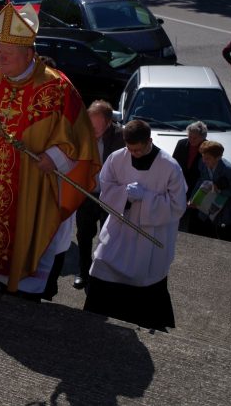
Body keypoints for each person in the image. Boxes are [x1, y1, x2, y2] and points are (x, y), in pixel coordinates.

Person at [0, 2, 99, 302]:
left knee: (30, 254)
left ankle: (30, 298)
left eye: (8, 52)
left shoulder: (57, 88)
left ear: (29, 54)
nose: (0, 57)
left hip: (35, 186)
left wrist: (54, 157)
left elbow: (80, 138)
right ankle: (3, 288)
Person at [84, 120, 186, 331]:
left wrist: (145, 198)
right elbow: (106, 189)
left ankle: (146, 322)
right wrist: (124, 195)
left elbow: (177, 206)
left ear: (149, 141)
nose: (134, 154)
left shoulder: (169, 166)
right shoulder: (117, 158)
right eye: (130, 149)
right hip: (120, 230)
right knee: (101, 264)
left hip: (150, 234)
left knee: (144, 277)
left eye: (138, 150)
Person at [73, 100, 124, 290]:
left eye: (96, 126)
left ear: (108, 122)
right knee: (83, 236)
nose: (91, 130)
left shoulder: (121, 137)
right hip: (87, 194)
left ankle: (103, 276)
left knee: (109, 238)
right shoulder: (82, 134)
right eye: (89, 124)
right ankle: (83, 272)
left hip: (110, 197)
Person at [188, 140, 231, 242]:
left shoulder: (230, 170)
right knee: (209, 234)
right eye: (203, 157)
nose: (204, 161)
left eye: (207, 158)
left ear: (218, 157)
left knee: (226, 238)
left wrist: (219, 191)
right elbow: (201, 180)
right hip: (209, 207)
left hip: (226, 210)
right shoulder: (202, 163)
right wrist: (193, 198)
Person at [172, 121, 208, 232]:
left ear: (202, 138)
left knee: (194, 216)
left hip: (197, 184)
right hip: (181, 182)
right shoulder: (181, 144)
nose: (191, 140)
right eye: (189, 136)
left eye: (194, 138)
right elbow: (174, 162)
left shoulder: (208, 148)